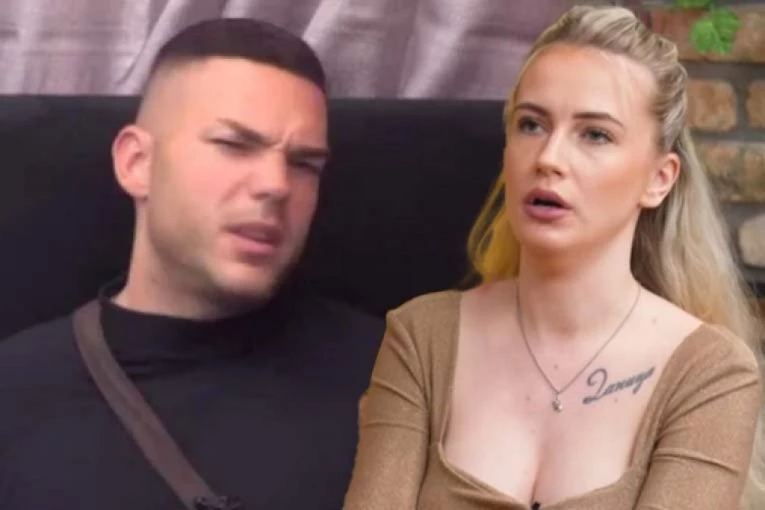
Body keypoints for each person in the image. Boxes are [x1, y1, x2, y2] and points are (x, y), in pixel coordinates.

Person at [344, 5, 764, 510]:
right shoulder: (421, 337)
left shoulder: (710, 373)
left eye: (595, 134)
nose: (548, 158)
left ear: (659, 179)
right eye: (531, 125)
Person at [0, 18, 384, 510]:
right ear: (137, 163)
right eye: (233, 145)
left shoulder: (400, 381)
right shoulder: (15, 394)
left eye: (305, 164)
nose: (276, 184)